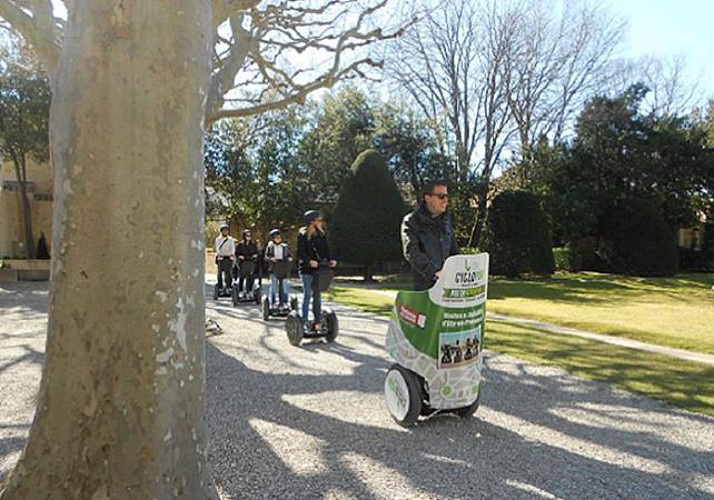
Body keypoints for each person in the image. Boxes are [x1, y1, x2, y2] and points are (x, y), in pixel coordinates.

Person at [401, 180, 459, 291]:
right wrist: (434, 273)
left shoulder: (446, 222)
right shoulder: (411, 221)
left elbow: (454, 252)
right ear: (428, 198)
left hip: (448, 287)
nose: (446, 200)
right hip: (424, 288)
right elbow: (411, 252)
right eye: (441, 196)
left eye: (447, 196)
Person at [297, 210, 336, 329]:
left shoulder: (322, 234)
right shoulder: (303, 235)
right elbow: (301, 252)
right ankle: (304, 320)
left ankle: (317, 320)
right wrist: (309, 261)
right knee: (308, 294)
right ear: (312, 222)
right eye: (319, 220)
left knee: (317, 295)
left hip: (319, 270)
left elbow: (327, 249)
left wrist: (331, 259)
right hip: (306, 270)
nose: (321, 222)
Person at [265, 229, 293, 308]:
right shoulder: (270, 247)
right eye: (276, 237)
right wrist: (271, 259)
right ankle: (273, 303)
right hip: (274, 269)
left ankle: (285, 302)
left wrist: (289, 258)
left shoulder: (285, 246)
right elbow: (266, 257)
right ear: (273, 238)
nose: (278, 239)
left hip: (283, 269)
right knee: (273, 286)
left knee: (284, 286)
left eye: (279, 237)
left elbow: (290, 255)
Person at [235, 228, 259, 298]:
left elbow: (256, 253)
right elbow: (236, 253)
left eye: (250, 236)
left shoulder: (253, 245)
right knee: (242, 277)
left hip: (251, 262)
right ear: (244, 236)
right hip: (242, 263)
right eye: (247, 236)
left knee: (251, 277)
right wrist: (240, 256)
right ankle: (241, 291)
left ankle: (250, 291)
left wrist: (255, 255)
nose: (248, 237)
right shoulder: (240, 245)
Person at [214, 223, 236, 290]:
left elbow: (233, 248)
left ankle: (228, 286)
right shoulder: (218, 239)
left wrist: (232, 254)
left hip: (229, 257)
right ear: (221, 231)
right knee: (220, 272)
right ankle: (220, 286)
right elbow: (217, 248)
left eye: (226, 230)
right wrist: (219, 254)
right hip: (221, 258)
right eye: (224, 230)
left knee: (228, 272)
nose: (225, 232)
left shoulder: (230, 239)